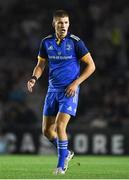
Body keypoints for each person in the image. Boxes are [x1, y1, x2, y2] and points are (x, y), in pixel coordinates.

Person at [27, 9, 95, 175]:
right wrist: (33, 78)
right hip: (52, 90)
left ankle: (61, 166)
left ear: (69, 24)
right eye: (60, 23)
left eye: (66, 22)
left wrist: (75, 83)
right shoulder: (46, 42)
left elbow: (91, 66)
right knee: (46, 131)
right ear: (54, 24)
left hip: (69, 91)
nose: (63, 26)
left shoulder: (76, 42)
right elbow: (41, 65)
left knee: (60, 126)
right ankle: (67, 153)